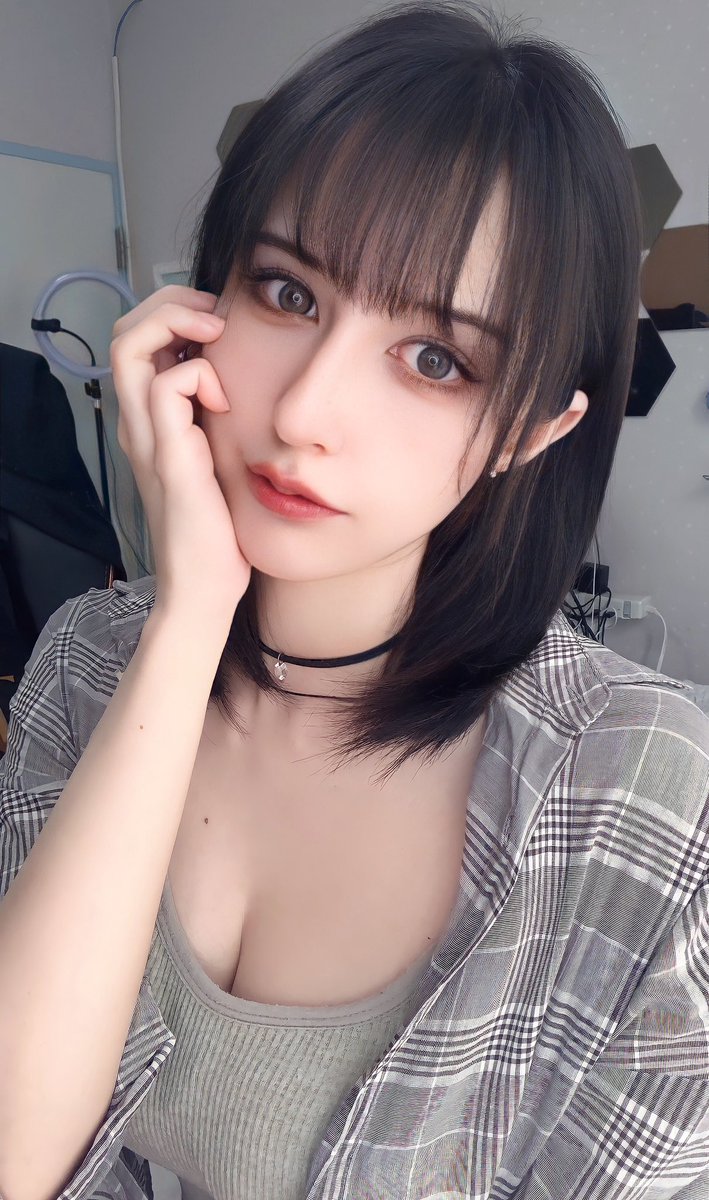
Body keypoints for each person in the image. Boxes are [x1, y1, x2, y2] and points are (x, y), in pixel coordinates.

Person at [1, 3, 708, 1198]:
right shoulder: (86, 667)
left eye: (437, 360)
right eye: (287, 294)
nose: (305, 411)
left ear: (533, 431)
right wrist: (185, 623)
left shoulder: (649, 803)